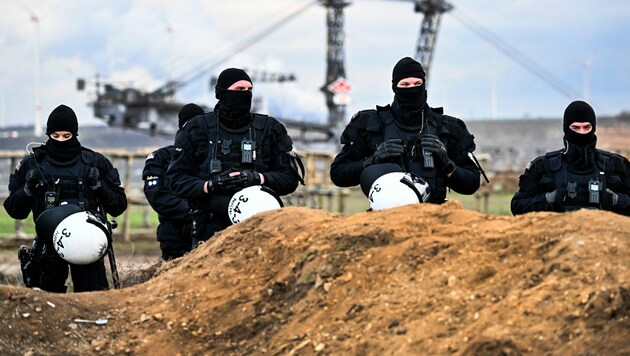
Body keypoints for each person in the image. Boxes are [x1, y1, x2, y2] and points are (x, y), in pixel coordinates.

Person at [166, 68, 302, 247]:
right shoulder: (197, 129)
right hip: (209, 228)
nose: (246, 94)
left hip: (260, 225)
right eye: (239, 90)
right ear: (222, 93)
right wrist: (210, 185)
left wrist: (259, 178)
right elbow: (176, 180)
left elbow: (289, 179)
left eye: (249, 90)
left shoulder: (270, 129)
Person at [4, 104, 127, 292]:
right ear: (48, 135)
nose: (61, 140)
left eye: (66, 136)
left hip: (88, 242)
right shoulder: (32, 164)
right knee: (45, 306)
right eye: (55, 136)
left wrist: (99, 186)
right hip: (48, 245)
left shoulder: (94, 162)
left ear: (75, 135)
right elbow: (14, 210)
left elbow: (118, 206)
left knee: (93, 300)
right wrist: (27, 190)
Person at [330, 57, 483, 204]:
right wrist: (372, 160)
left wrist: (447, 164)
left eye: (417, 83)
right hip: (385, 215)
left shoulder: (448, 127)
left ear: (424, 84)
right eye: (405, 84)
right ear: (394, 87)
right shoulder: (371, 125)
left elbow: (472, 183)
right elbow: (338, 174)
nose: (412, 89)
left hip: (434, 216)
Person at [511, 100, 630, 216]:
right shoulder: (542, 167)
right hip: (558, 234)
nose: (582, 133)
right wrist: (548, 199)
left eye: (587, 127)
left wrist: (617, 200)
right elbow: (517, 206)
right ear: (566, 129)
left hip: (605, 234)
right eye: (576, 128)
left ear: (593, 129)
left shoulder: (616, 165)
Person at [142, 103, 205, 260]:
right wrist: (196, 213)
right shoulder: (161, 158)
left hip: (208, 233)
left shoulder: (213, 159)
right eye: (190, 126)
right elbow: (158, 197)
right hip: (175, 236)